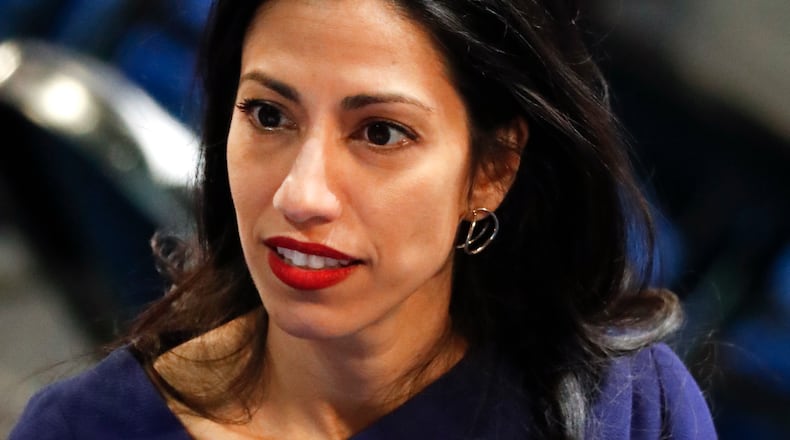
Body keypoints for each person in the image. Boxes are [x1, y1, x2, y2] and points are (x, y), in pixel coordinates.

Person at [10, 0, 717, 439]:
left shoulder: (625, 413)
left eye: (380, 133)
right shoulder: (86, 429)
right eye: (268, 115)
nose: (302, 193)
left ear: (491, 170)